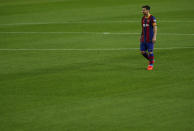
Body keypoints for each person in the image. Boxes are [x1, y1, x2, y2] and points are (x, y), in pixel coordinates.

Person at [140, 5, 157, 70]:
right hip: (143, 38)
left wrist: (154, 37)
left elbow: (155, 28)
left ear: (148, 10)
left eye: (144, 10)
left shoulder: (152, 18)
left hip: (150, 38)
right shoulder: (143, 18)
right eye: (142, 10)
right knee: (142, 52)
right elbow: (142, 28)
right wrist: (141, 36)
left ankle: (150, 65)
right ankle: (151, 60)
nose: (142, 11)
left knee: (150, 52)